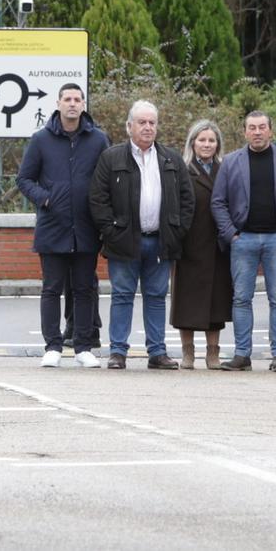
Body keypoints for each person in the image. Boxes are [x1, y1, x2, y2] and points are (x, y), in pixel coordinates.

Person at [89, 100, 194, 370]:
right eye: (142, 122)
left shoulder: (171, 159)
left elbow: (187, 200)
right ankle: (118, 352)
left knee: (157, 297)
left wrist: (176, 231)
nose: (148, 127)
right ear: (129, 126)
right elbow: (98, 200)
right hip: (124, 241)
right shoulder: (111, 158)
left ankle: (157, 352)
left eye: (152, 122)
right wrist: (112, 233)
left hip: (160, 241)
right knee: (122, 295)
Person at [16, 83, 110, 369]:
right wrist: (45, 199)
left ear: (83, 104)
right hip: (52, 227)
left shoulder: (98, 140)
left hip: (85, 228)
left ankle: (83, 347)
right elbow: (24, 179)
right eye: (67, 99)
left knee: (84, 289)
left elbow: (106, 179)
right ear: (58, 104)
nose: (72, 104)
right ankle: (52, 346)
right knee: (51, 289)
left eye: (77, 99)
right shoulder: (40, 139)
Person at [211, 111, 276, 372]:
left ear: (271, 131)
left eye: (262, 127)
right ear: (245, 132)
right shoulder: (230, 162)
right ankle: (242, 354)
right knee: (241, 299)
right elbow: (218, 202)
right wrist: (232, 235)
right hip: (243, 239)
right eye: (252, 127)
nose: (258, 132)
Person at [171, 120, 232, 370]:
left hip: (217, 245)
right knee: (186, 301)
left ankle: (213, 353)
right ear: (192, 143)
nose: (207, 144)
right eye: (202, 140)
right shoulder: (182, 170)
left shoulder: (225, 169)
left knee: (215, 302)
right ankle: (188, 353)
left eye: (211, 140)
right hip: (189, 243)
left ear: (217, 144)